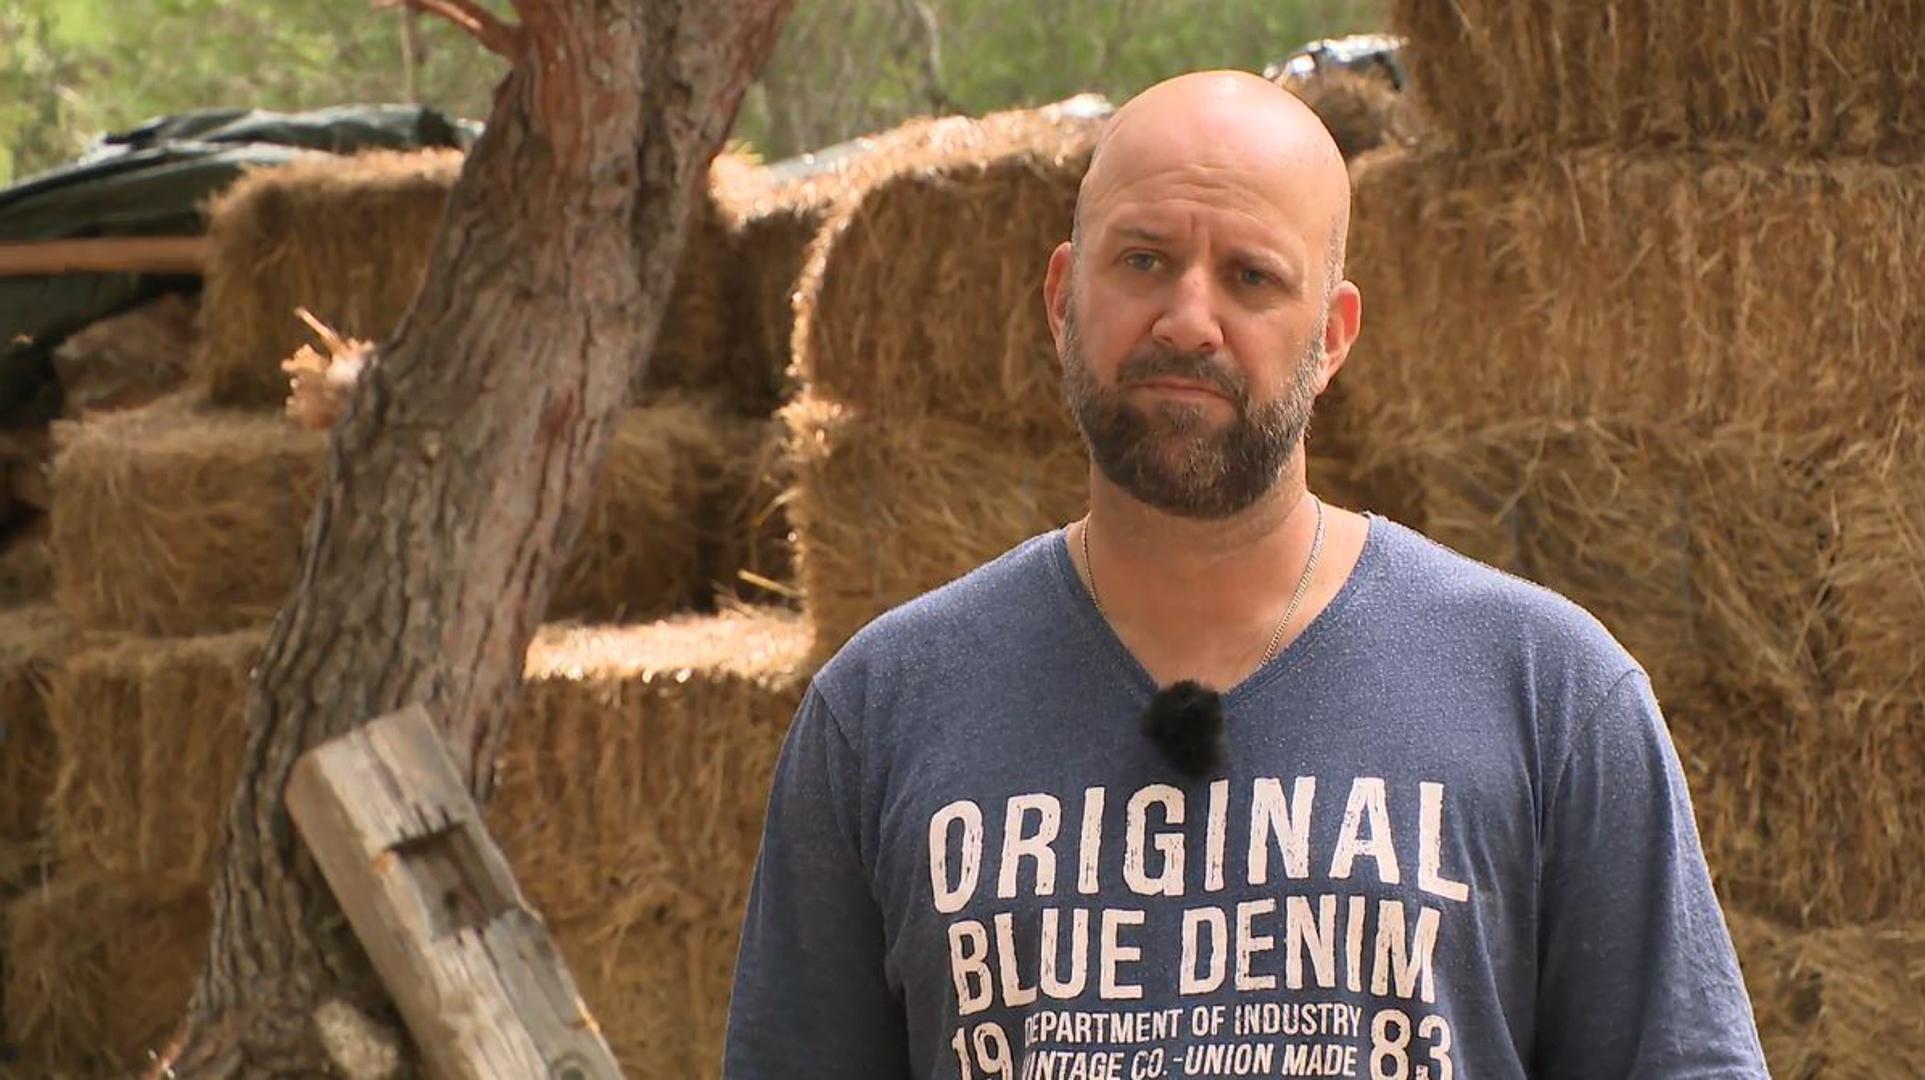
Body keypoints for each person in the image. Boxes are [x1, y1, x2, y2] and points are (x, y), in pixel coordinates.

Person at [724, 70, 1767, 1079]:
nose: (1187, 319)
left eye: (1251, 277)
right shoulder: (884, 711)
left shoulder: (1547, 694)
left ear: (1331, 339)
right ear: (1060, 299)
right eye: (1142, 260)